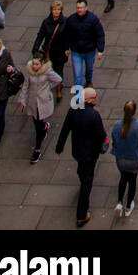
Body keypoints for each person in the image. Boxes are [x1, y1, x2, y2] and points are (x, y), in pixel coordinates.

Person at [54, 86, 107, 228]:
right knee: (87, 183)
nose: (96, 100)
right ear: (88, 99)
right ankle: (81, 215)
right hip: (90, 154)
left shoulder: (73, 111)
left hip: (77, 151)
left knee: (82, 169)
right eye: (94, 98)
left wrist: (59, 147)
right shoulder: (94, 115)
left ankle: (81, 175)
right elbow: (101, 135)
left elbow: (65, 130)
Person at [17, 55, 63, 163]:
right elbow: (25, 86)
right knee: (36, 122)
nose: (34, 66)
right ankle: (44, 126)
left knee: (38, 126)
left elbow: (58, 79)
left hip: (43, 101)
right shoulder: (30, 72)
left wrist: (47, 88)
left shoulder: (47, 72)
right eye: (33, 63)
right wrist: (22, 100)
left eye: (36, 64)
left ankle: (37, 149)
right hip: (33, 102)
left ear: (42, 64)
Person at [111, 100, 138, 218]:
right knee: (132, 181)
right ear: (135, 111)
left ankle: (119, 202)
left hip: (121, 159)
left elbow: (114, 140)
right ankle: (128, 206)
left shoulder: (117, 125)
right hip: (133, 159)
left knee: (123, 178)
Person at [63, 0, 105, 88]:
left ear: (86, 8)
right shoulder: (71, 20)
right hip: (76, 51)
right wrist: (66, 47)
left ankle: (88, 80)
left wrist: (100, 50)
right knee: (77, 75)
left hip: (89, 51)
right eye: (78, 8)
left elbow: (100, 34)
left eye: (81, 7)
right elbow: (66, 34)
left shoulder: (93, 19)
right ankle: (78, 97)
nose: (79, 10)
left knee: (89, 69)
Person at [32, 0, 68, 99]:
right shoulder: (46, 22)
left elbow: (68, 36)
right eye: (54, 9)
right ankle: (56, 84)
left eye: (58, 9)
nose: (56, 11)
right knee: (50, 69)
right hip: (49, 51)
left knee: (59, 69)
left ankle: (58, 89)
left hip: (61, 50)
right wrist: (35, 48)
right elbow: (40, 35)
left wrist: (67, 48)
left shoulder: (65, 21)